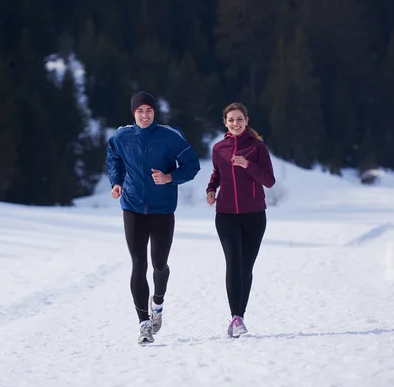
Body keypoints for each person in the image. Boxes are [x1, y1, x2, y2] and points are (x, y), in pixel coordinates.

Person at [106, 91, 200, 344]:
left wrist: (170, 177)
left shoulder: (170, 136)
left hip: (162, 208)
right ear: (133, 113)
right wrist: (116, 182)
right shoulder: (122, 136)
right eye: (140, 111)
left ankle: (157, 303)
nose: (145, 115)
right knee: (139, 264)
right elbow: (113, 156)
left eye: (149, 111)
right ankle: (143, 324)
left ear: (154, 112)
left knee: (159, 264)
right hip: (133, 207)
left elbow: (192, 165)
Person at [206, 102, 276, 338]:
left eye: (239, 119)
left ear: (246, 121)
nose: (235, 123)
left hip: (254, 215)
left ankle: (240, 316)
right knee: (233, 263)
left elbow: (269, 180)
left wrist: (248, 165)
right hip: (225, 215)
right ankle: (236, 317)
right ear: (225, 122)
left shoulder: (257, 148)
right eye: (231, 120)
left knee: (246, 267)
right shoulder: (219, 148)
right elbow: (216, 173)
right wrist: (211, 189)